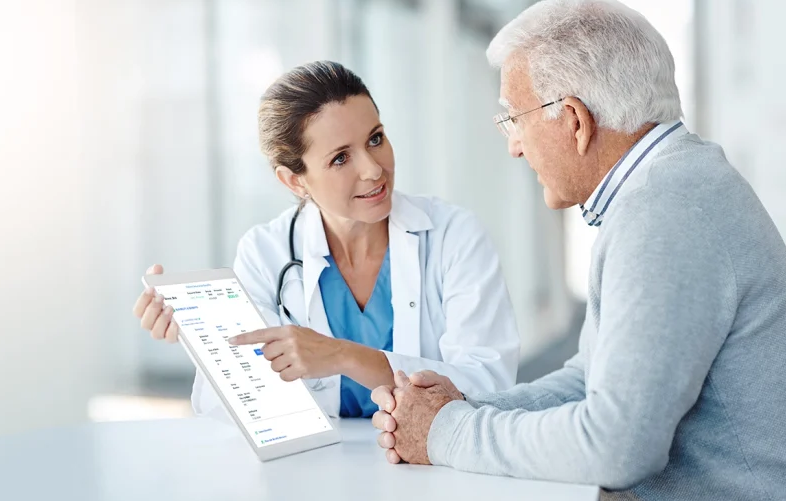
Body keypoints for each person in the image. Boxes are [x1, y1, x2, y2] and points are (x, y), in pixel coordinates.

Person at [370, 0, 786, 501]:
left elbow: (616, 446)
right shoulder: (672, 185)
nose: (514, 145)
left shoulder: (666, 212)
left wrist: (445, 432)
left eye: (514, 119)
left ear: (573, 119)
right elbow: (592, 377)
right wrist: (472, 408)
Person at [131, 60, 520, 419]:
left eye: (375, 139)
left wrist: (343, 356)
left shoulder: (454, 236)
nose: (373, 170)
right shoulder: (266, 254)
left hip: (434, 469)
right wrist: (208, 341)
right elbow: (231, 409)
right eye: (340, 158)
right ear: (294, 180)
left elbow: (490, 386)